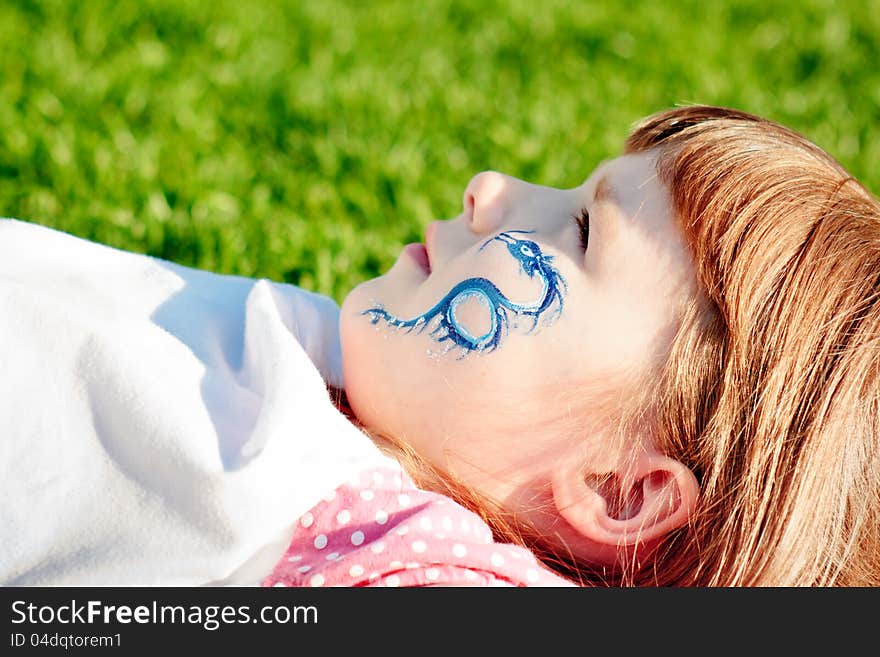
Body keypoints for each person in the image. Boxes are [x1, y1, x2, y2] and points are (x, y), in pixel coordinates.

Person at [1, 105, 877, 587]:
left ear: (618, 490)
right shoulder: (362, 377)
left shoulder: (407, 557)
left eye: (576, 232)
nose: (489, 188)